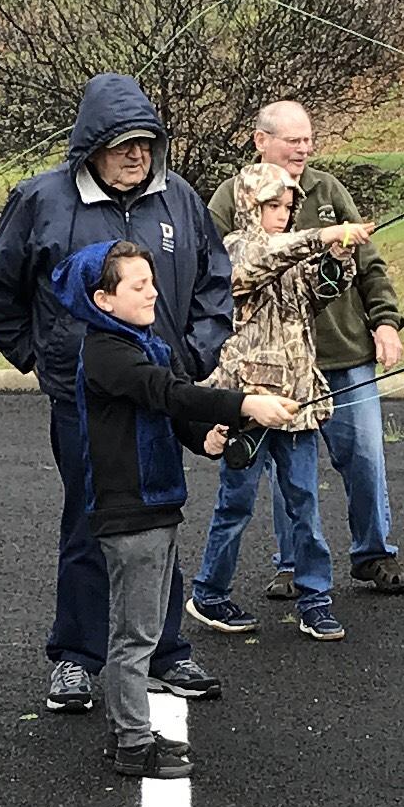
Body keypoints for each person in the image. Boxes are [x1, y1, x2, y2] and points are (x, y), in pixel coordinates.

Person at [0, 73, 237, 714]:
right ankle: (75, 656)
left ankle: (168, 650)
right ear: (90, 144)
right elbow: (1, 291)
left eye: (146, 142)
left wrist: (196, 356)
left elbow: (214, 282)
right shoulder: (41, 199)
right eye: (122, 142)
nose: (136, 154)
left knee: (161, 518)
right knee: (91, 521)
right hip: (83, 400)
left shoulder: (177, 196)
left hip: (161, 388)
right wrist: (40, 359)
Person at [55, 239, 298, 777]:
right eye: (137, 286)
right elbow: (164, 392)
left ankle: (128, 735)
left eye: (151, 281)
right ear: (102, 299)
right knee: (136, 636)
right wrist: (244, 403)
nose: (152, 293)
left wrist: (205, 438)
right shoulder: (108, 353)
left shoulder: (142, 343)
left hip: (156, 505)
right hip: (131, 510)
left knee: (136, 630)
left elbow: (169, 408)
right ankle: (133, 746)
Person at [187, 163, 368, 643]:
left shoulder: (293, 253)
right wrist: (321, 234)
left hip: (298, 401)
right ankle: (209, 591)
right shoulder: (235, 251)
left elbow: (321, 292)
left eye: (288, 207)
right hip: (249, 405)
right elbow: (264, 260)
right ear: (250, 205)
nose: (284, 215)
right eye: (273, 206)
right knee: (236, 504)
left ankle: (315, 599)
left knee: (304, 504)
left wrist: (336, 257)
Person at [241, 99, 404, 599]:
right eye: (292, 139)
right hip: (277, 366)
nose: (303, 148)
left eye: (308, 139)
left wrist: (384, 322)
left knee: (364, 455)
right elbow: (215, 271)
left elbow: (369, 263)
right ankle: (291, 564)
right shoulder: (236, 197)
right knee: (289, 469)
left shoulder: (329, 190)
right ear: (261, 141)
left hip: (345, 353)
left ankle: (374, 554)